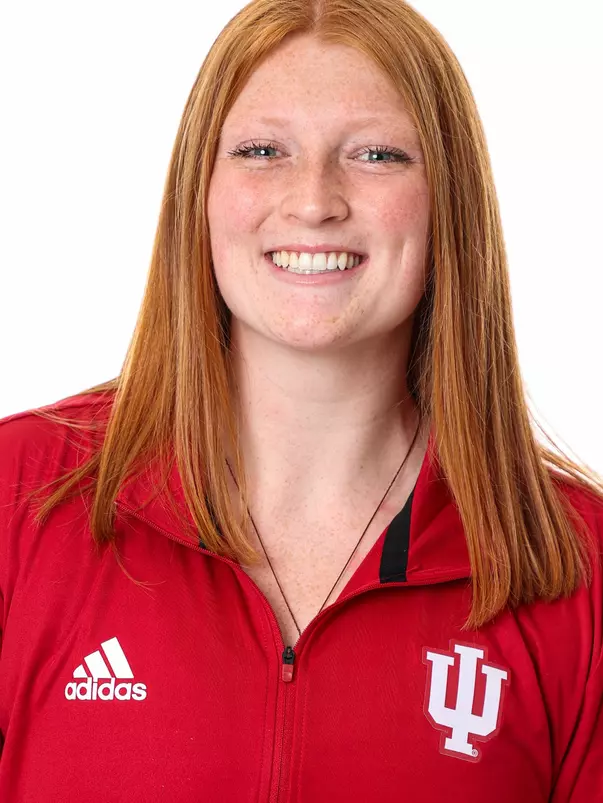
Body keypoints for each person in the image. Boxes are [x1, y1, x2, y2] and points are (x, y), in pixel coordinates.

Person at [1, 0, 602, 799]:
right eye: (262, 150)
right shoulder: (19, 496)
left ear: (447, 201)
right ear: (199, 191)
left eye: (376, 154)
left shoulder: (577, 567)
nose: (314, 200)